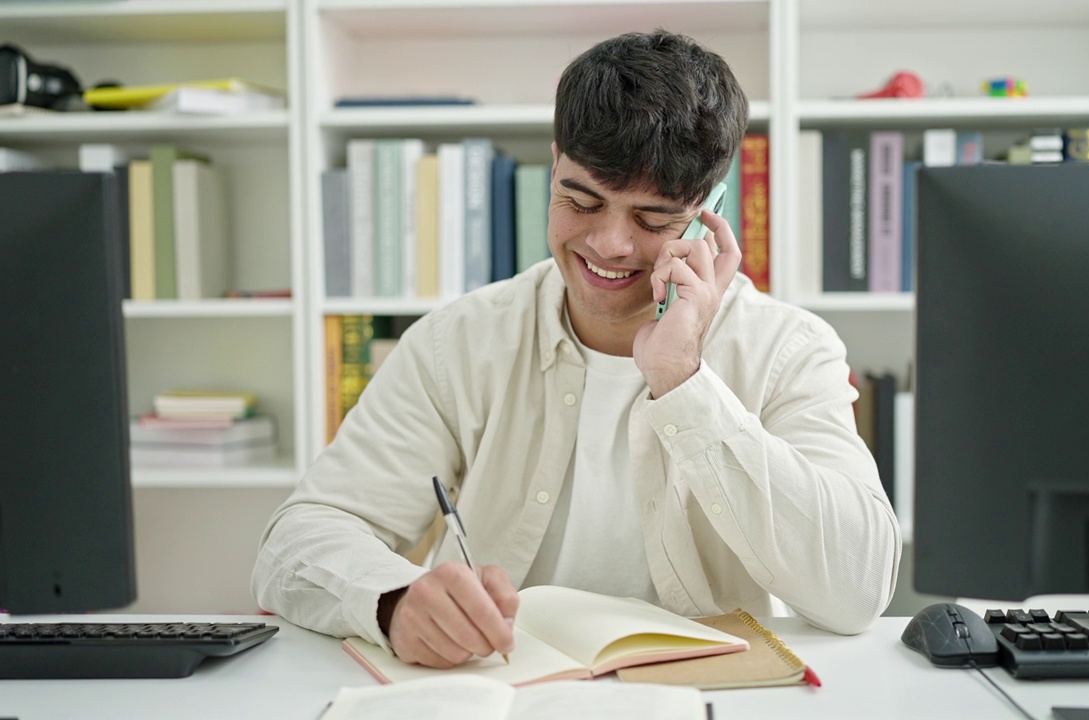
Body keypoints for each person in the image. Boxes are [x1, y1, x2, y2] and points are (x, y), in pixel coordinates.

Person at [252, 30, 900, 670]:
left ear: (710, 211)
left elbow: (859, 589)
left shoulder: (787, 348)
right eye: (580, 200)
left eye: (652, 219)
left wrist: (683, 381)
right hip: (498, 693)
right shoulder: (461, 342)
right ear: (555, 163)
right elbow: (297, 540)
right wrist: (392, 601)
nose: (610, 243)